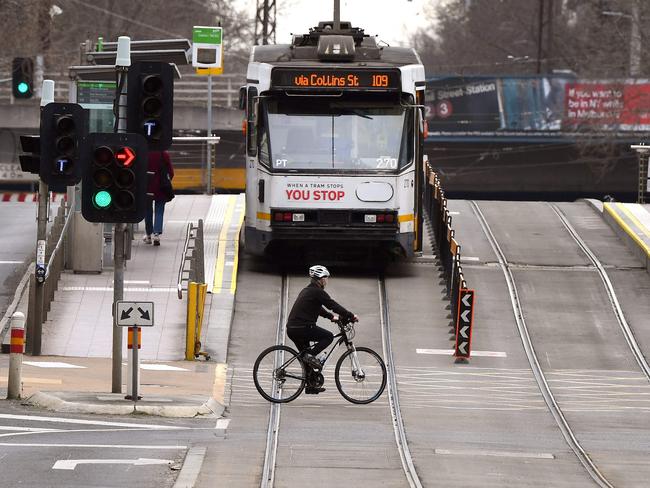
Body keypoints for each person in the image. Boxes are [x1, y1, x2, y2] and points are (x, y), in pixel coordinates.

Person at [286, 265, 358, 394]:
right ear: (320, 279)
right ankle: (310, 357)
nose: (327, 280)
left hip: (293, 328)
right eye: (326, 278)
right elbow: (332, 304)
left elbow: (318, 308)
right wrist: (350, 315)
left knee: (306, 355)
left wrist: (331, 317)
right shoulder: (318, 291)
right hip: (303, 327)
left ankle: (311, 385)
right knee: (328, 336)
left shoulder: (308, 290)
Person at [143, 150, 174, 246]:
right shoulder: (163, 154)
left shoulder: (144, 151)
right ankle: (156, 234)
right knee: (159, 211)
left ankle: (148, 235)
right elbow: (171, 172)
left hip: (147, 186)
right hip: (161, 187)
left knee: (147, 210)